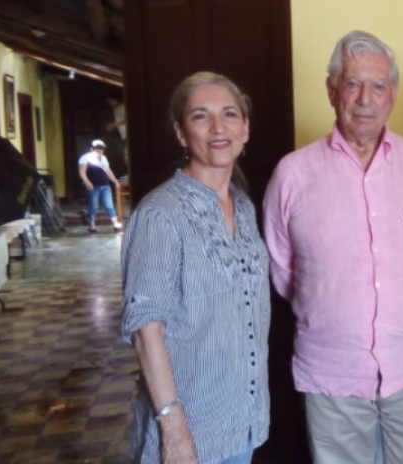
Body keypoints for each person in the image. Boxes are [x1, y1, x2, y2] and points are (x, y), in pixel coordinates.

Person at [263, 31, 403, 464]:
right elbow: (285, 273)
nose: (365, 98)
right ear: (331, 90)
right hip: (332, 377)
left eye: (378, 85)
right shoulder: (292, 174)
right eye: (352, 83)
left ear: (393, 95)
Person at [120, 71, 270, 464]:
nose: (219, 127)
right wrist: (174, 432)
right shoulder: (160, 215)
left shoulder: (244, 206)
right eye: (201, 116)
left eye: (230, 114)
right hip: (189, 434)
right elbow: (146, 333)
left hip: (241, 422)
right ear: (181, 133)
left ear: (246, 129)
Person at [78, 139, 122, 233]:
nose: (99, 152)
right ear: (92, 149)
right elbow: (82, 172)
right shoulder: (85, 158)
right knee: (94, 205)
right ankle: (92, 225)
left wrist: (115, 181)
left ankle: (115, 223)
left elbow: (108, 171)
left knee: (109, 204)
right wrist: (86, 181)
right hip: (93, 186)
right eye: (97, 151)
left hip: (105, 185)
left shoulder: (104, 158)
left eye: (101, 150)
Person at [106, 94, 128, 160]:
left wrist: (114, 125)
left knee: (127, 156)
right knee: (126, 156)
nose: (109, 103)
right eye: (108, 102)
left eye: (110, 101)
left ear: (116, 99)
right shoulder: (115, 109)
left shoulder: (123, 106)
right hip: (125, 136)